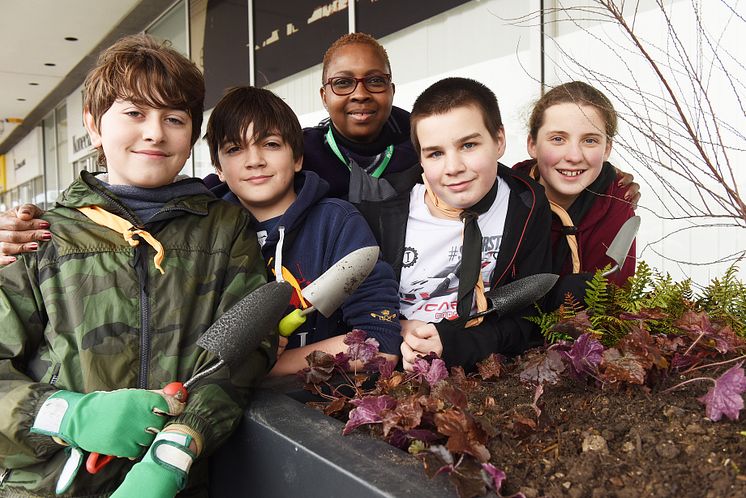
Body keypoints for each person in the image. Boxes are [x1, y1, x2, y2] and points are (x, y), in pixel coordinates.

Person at [0, 32, 640, 261]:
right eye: (342, 83)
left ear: (393, 88)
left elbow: (497, 174)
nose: (359, 94)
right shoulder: (286, 159)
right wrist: (20, 230)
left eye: (374, 82)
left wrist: (597, 177)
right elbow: (220, 194)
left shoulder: (428, 138)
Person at [0, 35, 271, 498]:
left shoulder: (225, 230)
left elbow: (245, 352)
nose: (155, 132)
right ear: (93, 125)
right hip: (47, 486)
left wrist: (180, 446)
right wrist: (67, 415)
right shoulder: (36, 234)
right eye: (134, 113)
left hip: (177, 483)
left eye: (174, 118)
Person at [357, 77, 553, 373]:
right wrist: (397, 329)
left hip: (486, 370)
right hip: (397, 370)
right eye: (435, 153)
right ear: (420, 157)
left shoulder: (526, 206)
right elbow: (356, 308)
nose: (453, 168)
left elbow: (531, 320)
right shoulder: (382, 209)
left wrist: (455, 343)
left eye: (469, 145)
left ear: (499, 141)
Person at [204, 86, 401, 376]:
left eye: (270, 144)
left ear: (297, 158)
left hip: (313, 406)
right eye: (234, 149)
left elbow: (378, 346)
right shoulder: (205, 234)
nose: (254, 160)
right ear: (218, 169)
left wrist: (269, 365)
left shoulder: (337, 223)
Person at [513, 81, 636, 301]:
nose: (574, 156)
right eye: (558, 139)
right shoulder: (505, 199)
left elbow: (613, 305)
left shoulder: (617, 205)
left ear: (606, 149)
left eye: (590, 140)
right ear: (532, 144)